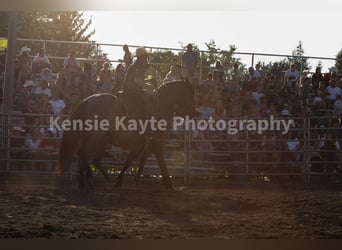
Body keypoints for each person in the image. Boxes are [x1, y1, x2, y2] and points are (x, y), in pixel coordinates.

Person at [123, 47, 152, 117]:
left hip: (136, 90)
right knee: (145, 103)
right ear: (140, 57)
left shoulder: (139, 66)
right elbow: (137, 80)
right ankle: (142, 121)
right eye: (145, 56)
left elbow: (142, 79)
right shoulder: (136, 66)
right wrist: (149, 86)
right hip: (131, 92)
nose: (146, 58)